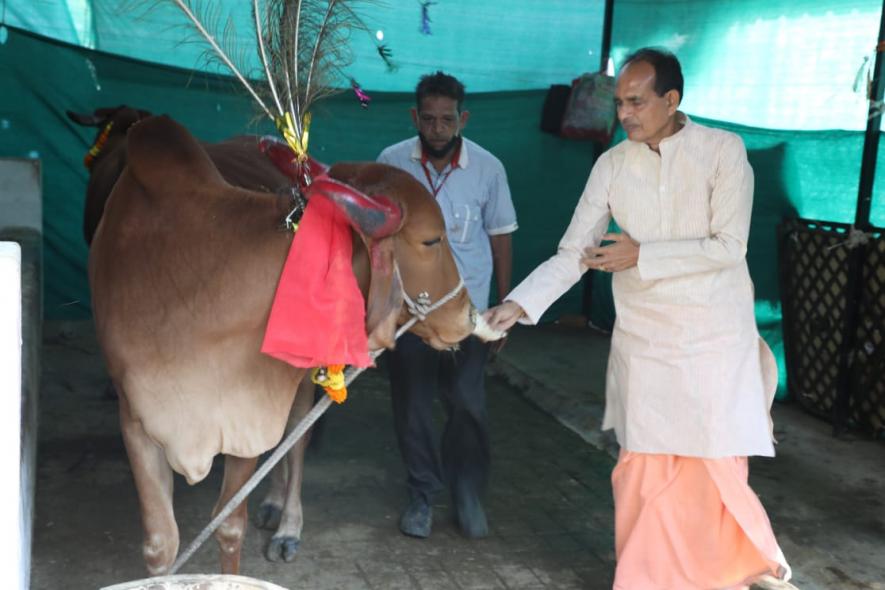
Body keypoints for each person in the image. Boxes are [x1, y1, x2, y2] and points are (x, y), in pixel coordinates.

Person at [484, 49, 792, 588]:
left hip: (715, 339)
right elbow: (575, 252)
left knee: (714, 467)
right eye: (619, 102)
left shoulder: (722, 151)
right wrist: (517, 305)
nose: (624, 114)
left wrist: (641, 254)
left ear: (671, 100)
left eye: (636, 101)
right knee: (643, 472)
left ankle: (718, 575)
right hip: (646, 341)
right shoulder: (612, 164)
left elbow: (729, 245)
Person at [377, 71, 518, 539]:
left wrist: (504, 304)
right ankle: (422, 496)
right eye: (430, 118)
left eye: (447, 119)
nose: (438, 128)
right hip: (412, 316)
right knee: (413, 408)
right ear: (416, 116)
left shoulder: (488, 168)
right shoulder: (391, 162)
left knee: (467, 406)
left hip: (468, 313)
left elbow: (500, 238)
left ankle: (468, 495)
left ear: (463, 118)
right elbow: (376, 243)